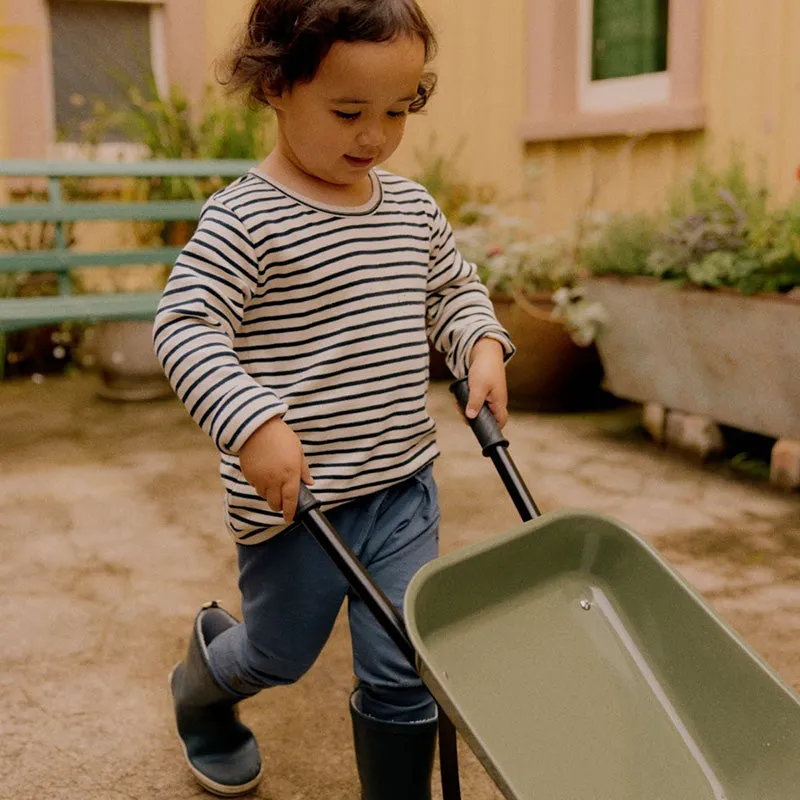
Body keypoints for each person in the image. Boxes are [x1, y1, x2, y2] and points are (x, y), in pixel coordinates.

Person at [153, 1, 514, 797]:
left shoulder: (412, 210)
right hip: (298, 506)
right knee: (277, 655)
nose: (374, 136)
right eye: (349, 111)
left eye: (398, 109)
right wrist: (252, 423)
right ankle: (205, 680)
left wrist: (479, 345)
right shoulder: (245, 218)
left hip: (401, 489)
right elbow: (184, 325)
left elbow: (451, 292)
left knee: (405, 665)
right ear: (276, 85)